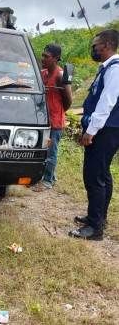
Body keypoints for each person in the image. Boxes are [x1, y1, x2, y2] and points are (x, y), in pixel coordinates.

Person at [69, 29, 119, 240]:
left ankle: (94, 228)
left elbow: (106, 103)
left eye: (95, 45)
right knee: (103, 174)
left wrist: (91, 131)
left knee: (94, 177)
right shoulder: (107, 68)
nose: (94, 49)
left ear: (106, 45)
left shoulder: (115, 69)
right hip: (106, 129)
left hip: (106, 130)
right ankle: (98, 217)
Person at [32, 43, 72, 191]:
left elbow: (68, 100)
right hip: (43, 119)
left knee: (51, 152)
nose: (43, 59)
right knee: (42, 150)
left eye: (46, 56)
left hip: (54, 121)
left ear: (56, 58)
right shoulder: (42, 74)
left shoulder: (60, 76)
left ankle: (48, 180)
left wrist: (58, 111)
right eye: (42, 55)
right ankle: (49, 176)